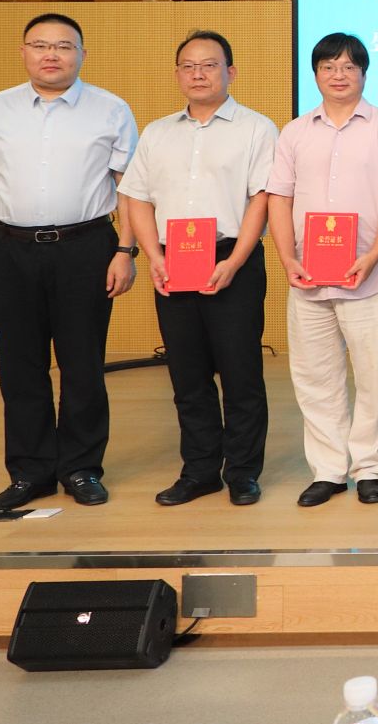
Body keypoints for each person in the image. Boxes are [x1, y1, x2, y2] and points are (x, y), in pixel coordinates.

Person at [0, 13, 139, 512]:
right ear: (23, 52)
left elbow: (132, 189)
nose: (51, 55)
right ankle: (30, 472)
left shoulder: (110, 109)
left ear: (82, 54)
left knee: (83, 363)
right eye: (40, 45)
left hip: (86, 247)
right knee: (19, 365)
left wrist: (126, 250)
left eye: (63, 46)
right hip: (10, 249)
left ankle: (81, 468)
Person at [121, 30, 278, 507]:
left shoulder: (256, 129)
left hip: (232, 259)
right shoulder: (157, 132)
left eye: (209, 65)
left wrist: (235, 261)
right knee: (187, 376)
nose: (198, 74)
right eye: (188, 66)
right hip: (172, 262)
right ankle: (200, 470)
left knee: (240, 373)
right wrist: (155, 257)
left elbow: (261, 199)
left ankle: (243, 473)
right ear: (177, 75)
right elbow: (137, 198)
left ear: (231, 72)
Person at [268, 31, 378, 508]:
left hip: (367, 274)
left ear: (364, 73)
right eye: (328, 66)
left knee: (373, 375)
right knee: (316, 377)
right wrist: (287, 258)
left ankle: (368, 467)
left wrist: (374, 255)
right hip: (307, 275)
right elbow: (279, 197)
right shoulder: (294, 132)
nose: (339, 75)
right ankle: (328, 471)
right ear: (315, 74)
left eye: (349, 66)